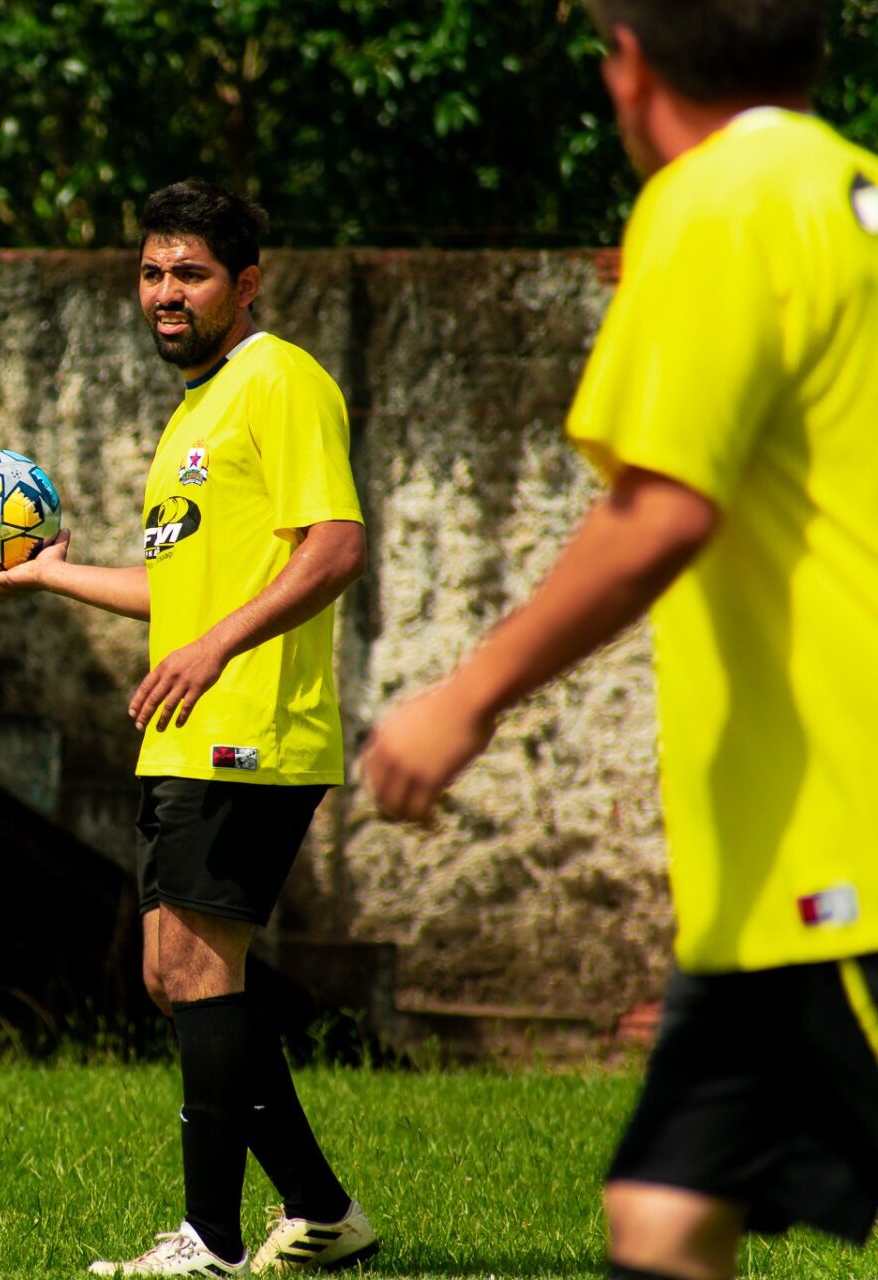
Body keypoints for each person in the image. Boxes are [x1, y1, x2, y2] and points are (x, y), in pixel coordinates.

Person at [360, 4, 878, 1278]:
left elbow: (660, 508)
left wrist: (465, 696)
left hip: (845, 825)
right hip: (780, 867)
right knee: (662, 1209)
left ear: (633, 64)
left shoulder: (717, 205)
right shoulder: (846, 190)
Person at [0, 180, 377, 1275]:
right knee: (174, 973)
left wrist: (218, 647)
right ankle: (324, 1211)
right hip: (190, 728)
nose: (164, 293)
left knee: (193, 969)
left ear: (245, 284)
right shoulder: (195, 409)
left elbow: (333, 546)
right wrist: (48, 575)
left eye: (188, 273)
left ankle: (211, 1238)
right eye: (151, 272)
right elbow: (174, 593)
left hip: (250, 726)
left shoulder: (278, 381)